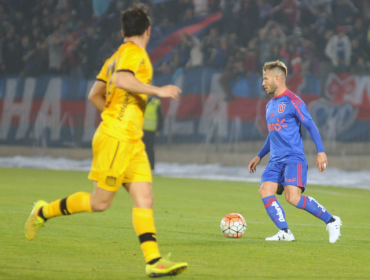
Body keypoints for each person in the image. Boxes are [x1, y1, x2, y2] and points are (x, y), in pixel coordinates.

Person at [25, 4, 188, 278]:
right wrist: (157, 90)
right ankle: (43, 211)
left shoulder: (115, 56)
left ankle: (154, 261)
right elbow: (123, 80)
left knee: (144, 197)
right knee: (100, 203)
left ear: (124, 31)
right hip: (116, 137)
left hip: (131, 140)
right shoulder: (135, 54)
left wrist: (115, 114)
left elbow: (93, 94)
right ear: (148, 31)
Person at [248, 60, 342, 243]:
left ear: (277, 78)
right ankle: (284, 232)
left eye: (265, 78)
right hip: (275, 161)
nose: (263, 83)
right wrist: (259, 156)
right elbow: (272, 134)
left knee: (293, 198)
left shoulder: (294, 101)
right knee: (265, 191)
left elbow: (310, 125)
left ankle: (331, 221)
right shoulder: (270, 105)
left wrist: (321, 151)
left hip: (293, 159)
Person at [143, 96, 164, 171]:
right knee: (140, 149)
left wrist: (158, 129)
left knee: (149, 149)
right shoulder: (140, 100)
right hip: (141, 130)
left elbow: (160, 116)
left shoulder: (155, 102)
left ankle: (151, 167)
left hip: (151, 130)